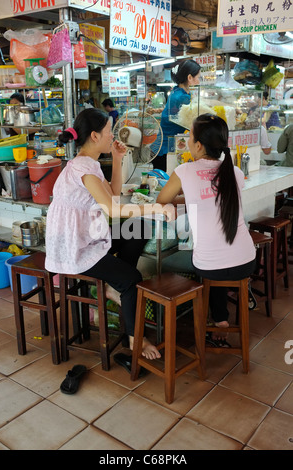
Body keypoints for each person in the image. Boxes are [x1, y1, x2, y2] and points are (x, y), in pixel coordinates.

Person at [45, 108, 175, 363]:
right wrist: (156, 208)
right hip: (74, 247)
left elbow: (113, 195)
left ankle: (114, 285)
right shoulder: (83, 167)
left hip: (86, 235)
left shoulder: (88, 163)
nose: (112, 136)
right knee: (132, 279)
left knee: (139, 228)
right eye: (108, 132)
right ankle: (134, 337)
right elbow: (113, 209)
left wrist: (117, 157)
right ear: (94, 135)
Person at [156, 113, 256, 346]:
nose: (188, 141)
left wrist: (187, 198)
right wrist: (192, 198)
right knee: (218, 253)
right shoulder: (236, 173)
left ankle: (219, 318)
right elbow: (211, 197)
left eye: (189, 136)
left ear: (198, 145)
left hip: (211, 267)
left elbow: (162, 200)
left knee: (208, 260)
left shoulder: (184, 171)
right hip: (247, 260)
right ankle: (222, 317)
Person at [152, 59, 201, 172]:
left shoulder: (176, 92)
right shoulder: (182, 97)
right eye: (198, 77)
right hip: (165, 151)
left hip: (162, 148)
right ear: (190, 78)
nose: (199, 81)